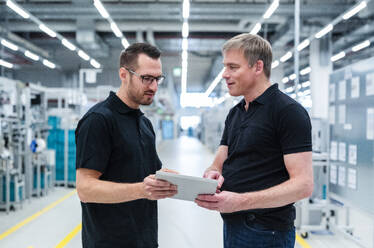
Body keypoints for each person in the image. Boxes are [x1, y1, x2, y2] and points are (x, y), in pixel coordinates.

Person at [195, 33, 314, 248]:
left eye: (233, 67)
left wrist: (240, 202)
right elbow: (222, 156)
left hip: (266, 232)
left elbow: (303, 186)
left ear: (258, 67)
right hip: (233, 223)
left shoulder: (287, 112)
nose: (224, 74)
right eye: (225, 66)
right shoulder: (236, 112)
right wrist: (213, 171)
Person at [75, 43, 177, 248]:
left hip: (145, 239)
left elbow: (146, 173)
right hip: (109, 242)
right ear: (124, 74)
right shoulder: (99, 120)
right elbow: (85, 188)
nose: (154, 87)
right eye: (147, 78)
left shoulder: (144, 123)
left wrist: (168, 179)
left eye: (158, 79)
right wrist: (142, 190)